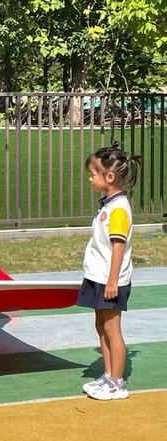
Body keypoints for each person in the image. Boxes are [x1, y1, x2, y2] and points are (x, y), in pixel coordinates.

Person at [78, 143, 141, 401]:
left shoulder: (118, 208)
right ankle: (108, 374)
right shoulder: (107, 204)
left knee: (113, 328)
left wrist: (113, 280)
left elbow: (118, 246)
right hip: (97, 276)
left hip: (110, 279)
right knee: (100, 324)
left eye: (93, 174)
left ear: (110, 177)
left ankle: (117, 382)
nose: (90, 179)